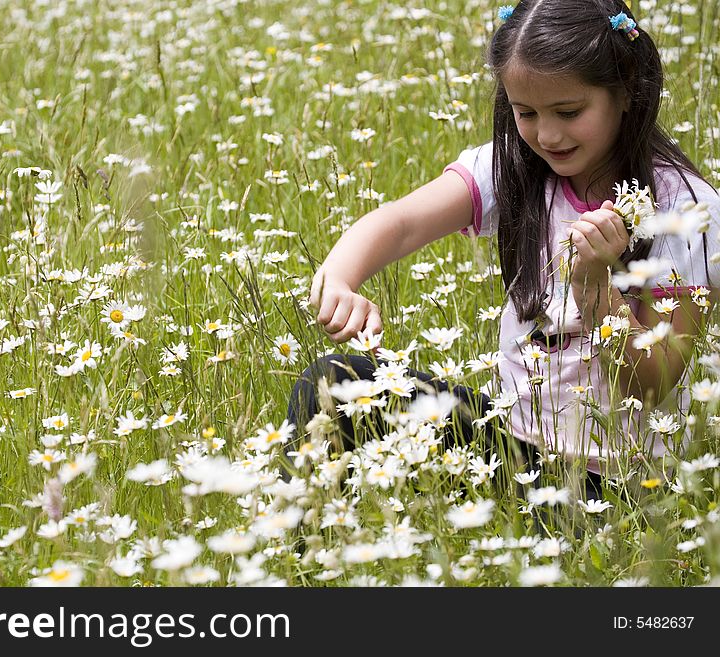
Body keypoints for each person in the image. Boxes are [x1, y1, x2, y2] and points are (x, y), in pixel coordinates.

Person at [285, 0, 720, 501]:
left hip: (620, 487)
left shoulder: (685, 208)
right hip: (511, 451)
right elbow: (400, 223)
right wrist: (340, 280)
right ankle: (296, 538)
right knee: (334, 381)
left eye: (569, 112)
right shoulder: (514, 169)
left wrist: (595, 287)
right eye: (525, 113)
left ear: (626, 92)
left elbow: (653, 385)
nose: (547, 135)